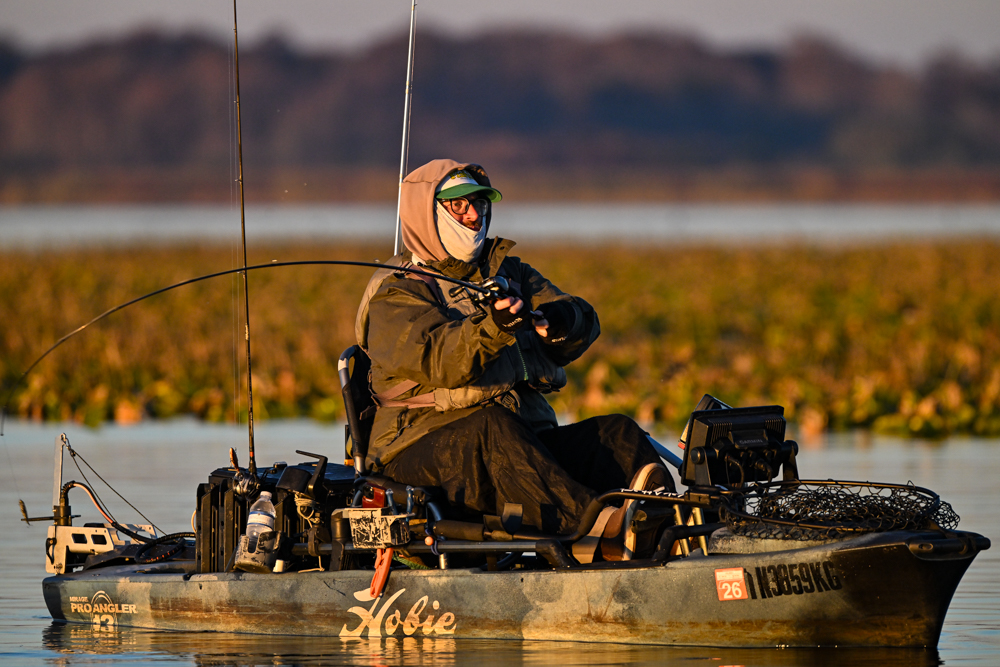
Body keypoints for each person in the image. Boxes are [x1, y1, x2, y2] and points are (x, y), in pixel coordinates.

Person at [355, 159, 672, 560]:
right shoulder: (396, 293)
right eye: (459, 205)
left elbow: (582, 318)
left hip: (519, 438)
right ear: (426, 213)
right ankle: (598, 535)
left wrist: (563, 321)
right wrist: (496, 326)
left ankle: (665, 526)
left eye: (479, 203)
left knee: (618, 433)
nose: (474, 215)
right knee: (493, 428)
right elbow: (441, 360)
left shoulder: (510, 272)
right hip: (416, 453)